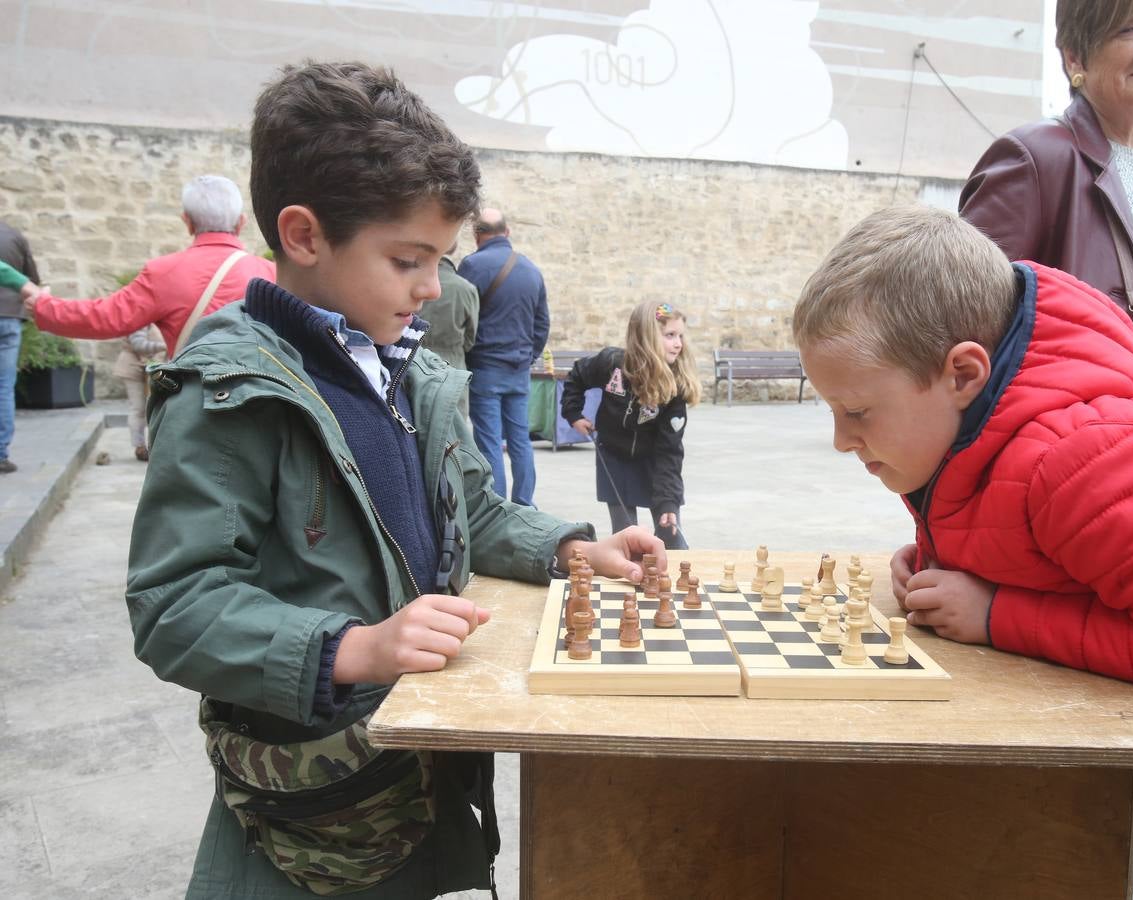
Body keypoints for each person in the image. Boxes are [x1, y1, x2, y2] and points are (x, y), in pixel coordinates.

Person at [123, 60, 666, 900]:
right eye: (409, 258)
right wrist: (352, 647)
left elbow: (473, 511)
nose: (432, 287)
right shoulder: (229, 391)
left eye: (442, 260)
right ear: (304, 236)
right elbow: (174, 605)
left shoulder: (412, 369)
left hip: (422, 768)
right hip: (309, 794)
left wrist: (570, 547)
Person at [793, 205, 1133, 899]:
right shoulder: (987, 420)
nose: (843, 440)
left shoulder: (1086, 459)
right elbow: (1039, 541)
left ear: (965, 373)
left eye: (857, 412)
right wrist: (943, 560)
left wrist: (997, 614)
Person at [960, 0, 1133, 360]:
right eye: (1130, 29)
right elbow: (964, 326)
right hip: (1077, 415)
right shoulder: (1034, 158)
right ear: (1075, 57)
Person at [25, 175, 276, 354]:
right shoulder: (271, 274)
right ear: (241, 222)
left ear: (187, 222)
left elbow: (103, 318)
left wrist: (43, 306)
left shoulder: (163, 273)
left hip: (193, 410)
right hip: (261, 410)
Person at [561, 301, 699, 550]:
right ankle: (631, 581)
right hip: (613, 458)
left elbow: (670, 451)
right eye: (670, 335)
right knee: (627, 537)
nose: (678, 343)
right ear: (645, 337)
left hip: (653, 461)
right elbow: (578, 375)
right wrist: (574, 413)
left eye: (680, 336)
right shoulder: (612, 363)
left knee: (670, 529)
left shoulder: (674, 390)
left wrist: (669, 501)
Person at [458, 209, 549, 506]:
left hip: (486, 366)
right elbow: (542, 324)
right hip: (519, 368)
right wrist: (528, 356)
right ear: (507, 232)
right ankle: (525, 501)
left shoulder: (472, 266)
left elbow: (464, 316)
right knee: (520, 438)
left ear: (477, 235)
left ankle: (497, 506)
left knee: (489, 441)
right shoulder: (531, 270)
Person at [418, 247, 479, 419]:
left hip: (417, 361)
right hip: (453, 363)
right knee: (455, 427)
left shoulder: (415, 282)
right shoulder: (466, 288)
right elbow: (470, 337)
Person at [0, 223, 41, 474]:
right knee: (4, 386)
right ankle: (1, 453)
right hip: (10, 319)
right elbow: (32, 279)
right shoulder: (14, 236)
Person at [112, 324, 165, 461]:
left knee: (150, 409)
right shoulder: (140, 321)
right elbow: (138, 345)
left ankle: (151, 446)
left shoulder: (153, 321)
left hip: (147, 368)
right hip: (132, 368)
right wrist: (165, 345)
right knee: (138, 408)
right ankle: (140, 447)